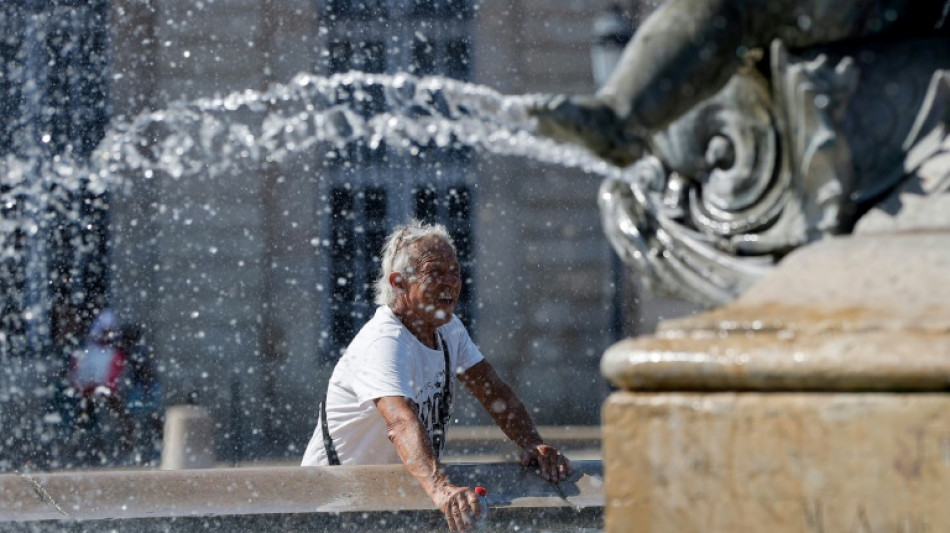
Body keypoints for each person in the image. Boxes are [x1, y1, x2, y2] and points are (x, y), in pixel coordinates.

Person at [302, 221, 573, 532]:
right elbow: (401, 422)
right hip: (327, 505)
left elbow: (494, 391)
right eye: (435, 273)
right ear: (399, 282)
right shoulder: (383, 341)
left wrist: (532, 444)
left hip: (384, 497)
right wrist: (442, 489)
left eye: (455, 272)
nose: (450, 283)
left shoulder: (449, 329)